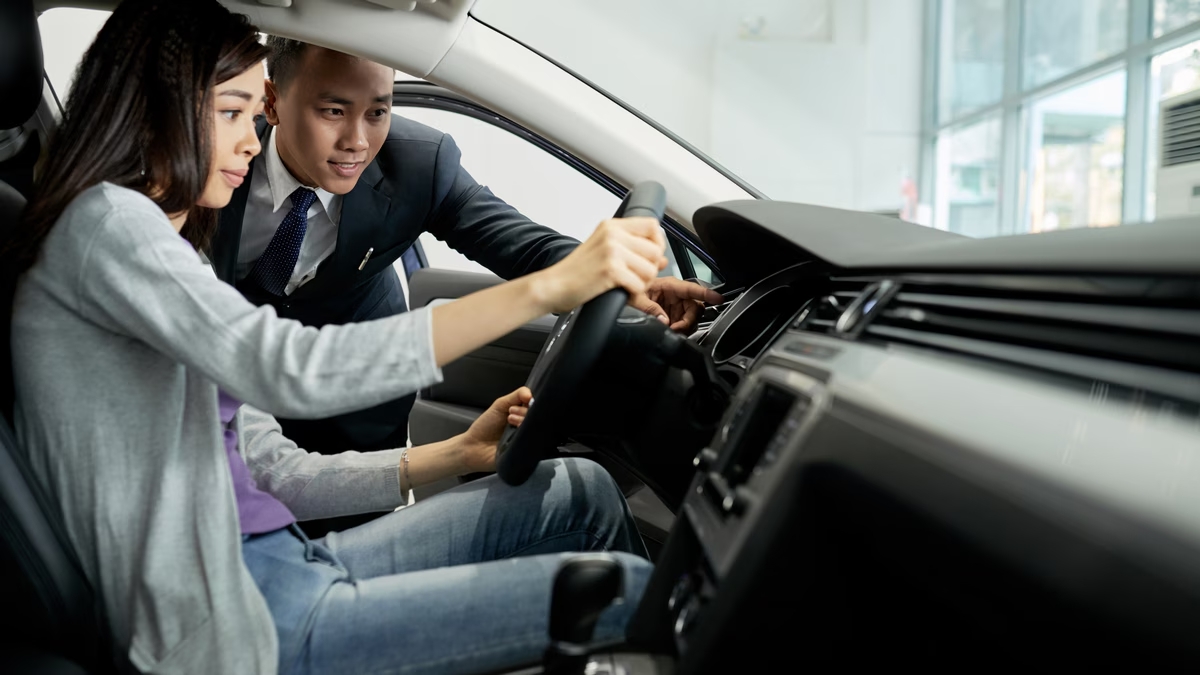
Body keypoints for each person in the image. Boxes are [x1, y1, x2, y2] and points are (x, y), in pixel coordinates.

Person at [2, 1, 664, 673]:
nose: (251, 139)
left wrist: (455, 452)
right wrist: (552, 286)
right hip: (236, 623)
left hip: (284, 563)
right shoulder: (107, 225)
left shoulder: (173, 250)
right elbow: (285, 366)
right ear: (154, 110)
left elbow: (273, 467)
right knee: (639, 598)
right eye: (231, 113)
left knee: (578, 491)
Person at [211, 36, 724, 454]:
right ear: (273, 102)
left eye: (378, 112)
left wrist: (622, 279)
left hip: (358, 399)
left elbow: (525, 247)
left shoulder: (418, 164)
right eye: (333, 111)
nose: (358, 141)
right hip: (220, 386)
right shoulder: (211, 163)